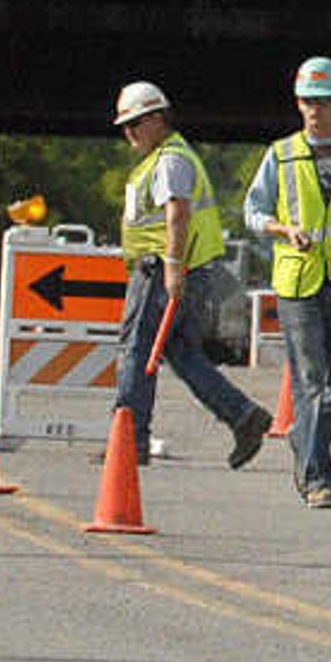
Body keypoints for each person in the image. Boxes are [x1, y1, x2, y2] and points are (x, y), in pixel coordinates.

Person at [107, 80, 270, 473]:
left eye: (136, 123)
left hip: (163, 270)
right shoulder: (165, 157)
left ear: (158, 118)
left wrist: (173, 268)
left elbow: (177, 213)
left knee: (136, 350)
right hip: (180, 271)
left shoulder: (170, 160)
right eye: (125, 125)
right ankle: (242, 415)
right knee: (181, 353)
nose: (129, 132)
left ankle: (130, 441)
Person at [239, 55, 331, 508]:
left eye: (323, 101)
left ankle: (304, 438)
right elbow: (253, 212)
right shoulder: (280, 155)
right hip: (298, 282)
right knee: (311, 380)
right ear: (298, 105)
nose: (315, 110)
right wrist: (283, 230)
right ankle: (320, 479)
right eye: (307, 102)